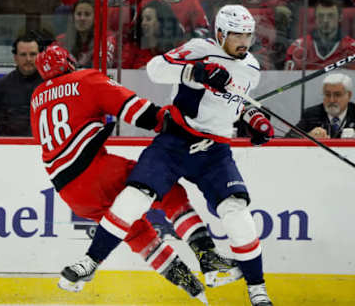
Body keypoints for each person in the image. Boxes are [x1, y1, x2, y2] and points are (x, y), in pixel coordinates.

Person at [64, 5, 275, 306]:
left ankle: (257, 290)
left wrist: (253, 118)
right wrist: (194, 71)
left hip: (213, 150)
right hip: (175, 140)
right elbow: (154, 69)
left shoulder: (251, 69)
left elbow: (234, 103)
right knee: (134, 196)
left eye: (248, 36)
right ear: (220, 33)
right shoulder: (198, 49)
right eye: (237, 35)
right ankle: (89, 263)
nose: (244, 42)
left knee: (237, 213)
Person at [30, 44, 243, 303]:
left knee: (139, 234)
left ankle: (190, 285)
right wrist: (168, 120)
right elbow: (135, 110)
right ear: (69, 62)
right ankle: (207, 255)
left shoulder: (37, 98)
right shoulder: (85, 79)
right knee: (167, 189)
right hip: (98, 171)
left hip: (70, 193)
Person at [285, 73, 355, 138]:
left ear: (349, 95)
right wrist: (308, 136)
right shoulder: (311, 114)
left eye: (337, 95)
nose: (331, 100)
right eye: (327, 95)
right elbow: (288, 139)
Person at [284, 0, 355, 70]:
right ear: (315, 19)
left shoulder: (353, 49)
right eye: (321, 16)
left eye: (330, 16)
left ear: (340, 17)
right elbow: (289, 79)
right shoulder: (298, 47)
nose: (325, 20)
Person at [0, 34, 43, 136]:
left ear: (40, 56)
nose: (28, 59)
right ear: (15, 58)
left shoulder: (51, 86)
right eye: (23, 55)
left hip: (43, 149)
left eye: (32, 54)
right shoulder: (0, 87)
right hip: (8, 149)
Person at [122, 0, 185, 69]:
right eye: (142, 19)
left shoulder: (178, 50)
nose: (143, 23)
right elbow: (123, 74)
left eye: (148, 19)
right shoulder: (133, 48)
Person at [56, 0, 116, 68]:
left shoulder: (105, 40)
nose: (82, 18)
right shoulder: (61, 40)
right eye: (78, 14)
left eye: (87, 14)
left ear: (95, 18)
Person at [140, 0, 210, 39]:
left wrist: (184, 38)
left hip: (182, 54)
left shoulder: (192, 3)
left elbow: (205, 32)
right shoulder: (147, 1)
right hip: (151, 55)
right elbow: (138, 34)